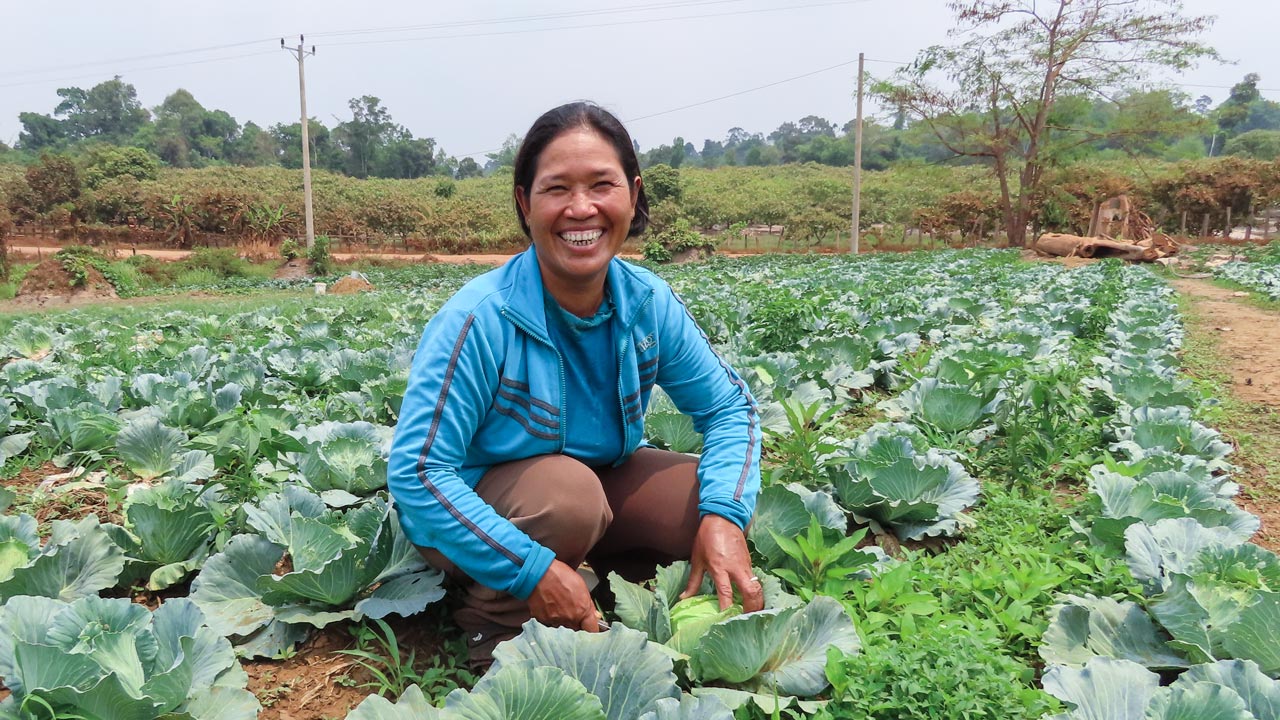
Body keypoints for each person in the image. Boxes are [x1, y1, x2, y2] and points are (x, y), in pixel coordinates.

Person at [386, 101, 762, 670]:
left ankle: (595, 583)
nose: (581, 208)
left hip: (593, 490)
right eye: (557, 188)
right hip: (478, 511)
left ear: (632, 195)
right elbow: (417, 474)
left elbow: (731, 410)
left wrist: (725, 518)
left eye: (602, 185)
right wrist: (532, 568)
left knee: (707, 503)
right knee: (567, 499)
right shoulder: (482, 317)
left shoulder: (646, 302)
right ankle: (497, 622)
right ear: (525, 203)